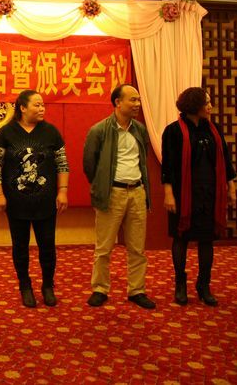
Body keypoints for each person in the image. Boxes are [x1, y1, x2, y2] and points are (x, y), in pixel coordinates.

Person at [0, 91, 69, 308]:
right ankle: (25, 286)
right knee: (20, 247)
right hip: (16, 202)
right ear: (22, 108)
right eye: (37, 105)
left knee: (47, 246)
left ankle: (48, 286)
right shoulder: (6, 133)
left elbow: (62, 164)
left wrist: (62, 191)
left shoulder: (51, 132)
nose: (42, 109)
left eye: (43, 105)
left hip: (46, 202)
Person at [83, 84, 156, 309]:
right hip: (112, 193)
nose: (137, 104)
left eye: (138, 100)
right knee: (104, 247)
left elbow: (142, 160)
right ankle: (100, 289)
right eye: (132, 100)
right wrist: (103, 185)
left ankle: (137, 290)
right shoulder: (99, 130)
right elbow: (89, 164)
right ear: (118, 102)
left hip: (137, 192)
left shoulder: (140, 130)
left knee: (137, 248)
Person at [162, 87, 237, 306]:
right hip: (183, 193)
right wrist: (168, 194)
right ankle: (180, 284)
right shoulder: (173, 131)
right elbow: (168, 165)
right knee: (181, 238)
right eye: (207, 103)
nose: (211, 106)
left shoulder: (214, 129)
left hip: (210, 192)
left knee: (207, 239)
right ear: (195, 105)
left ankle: (204, 285)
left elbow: (226, 160)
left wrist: (231, 187)